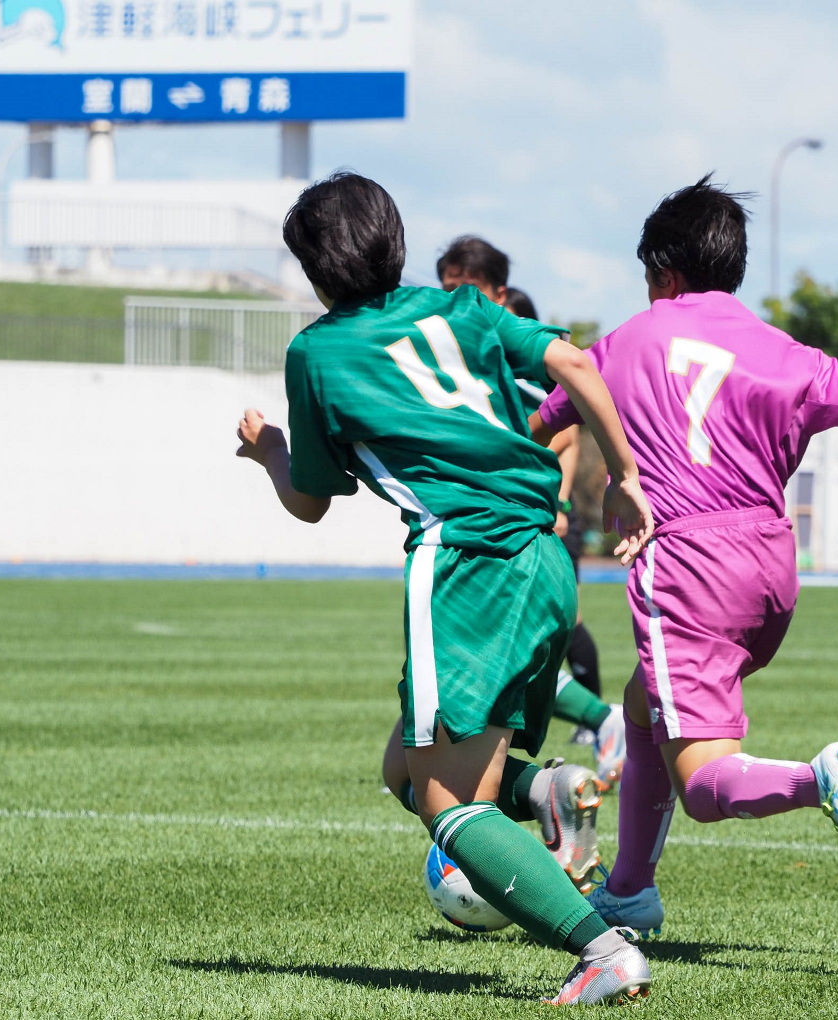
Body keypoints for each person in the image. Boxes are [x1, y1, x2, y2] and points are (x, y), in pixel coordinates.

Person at [531, 175, 838, 937]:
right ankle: (630, 889)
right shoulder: (789, 355)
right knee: (642, 706)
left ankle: (817, 779)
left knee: (701, 782)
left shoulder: (622, 344)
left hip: (687, 567)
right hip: (769, 569)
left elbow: (535, 428)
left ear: (664, 275)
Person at [235, 171, 654, 1004]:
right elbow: (572, 359)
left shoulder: (317, 352)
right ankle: (553, 791)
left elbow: (312, 503)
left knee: (446, 801)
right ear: (393, 240)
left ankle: (602, 949)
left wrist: (271, 453)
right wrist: (625, 476)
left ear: (316, 273)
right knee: (404, 765)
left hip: (465, 563)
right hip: (542, 558)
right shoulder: (459, 307)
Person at [437, 241, 625, 786]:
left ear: (497, 292)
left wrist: (562, 500)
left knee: (541, 640)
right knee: (470, 652)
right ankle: (588, 733)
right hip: (480, 522)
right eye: (445, 287)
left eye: (462, 288)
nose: (451, 298)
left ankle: (597, 722)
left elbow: (561, 427)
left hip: (525, 525)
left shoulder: (514, 347)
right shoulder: (448, 349)